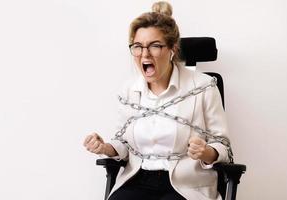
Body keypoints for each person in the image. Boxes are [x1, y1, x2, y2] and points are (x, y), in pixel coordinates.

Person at [83, 1, 232, 200]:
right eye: (137, 46)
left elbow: (224, 147)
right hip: (137, 178)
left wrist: (206, 152)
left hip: (185, 183)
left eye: (155, 46)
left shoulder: (204, 87)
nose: (144, 54)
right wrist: (105, 148)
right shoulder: (129, 90)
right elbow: (124, 144)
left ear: (172, 49)